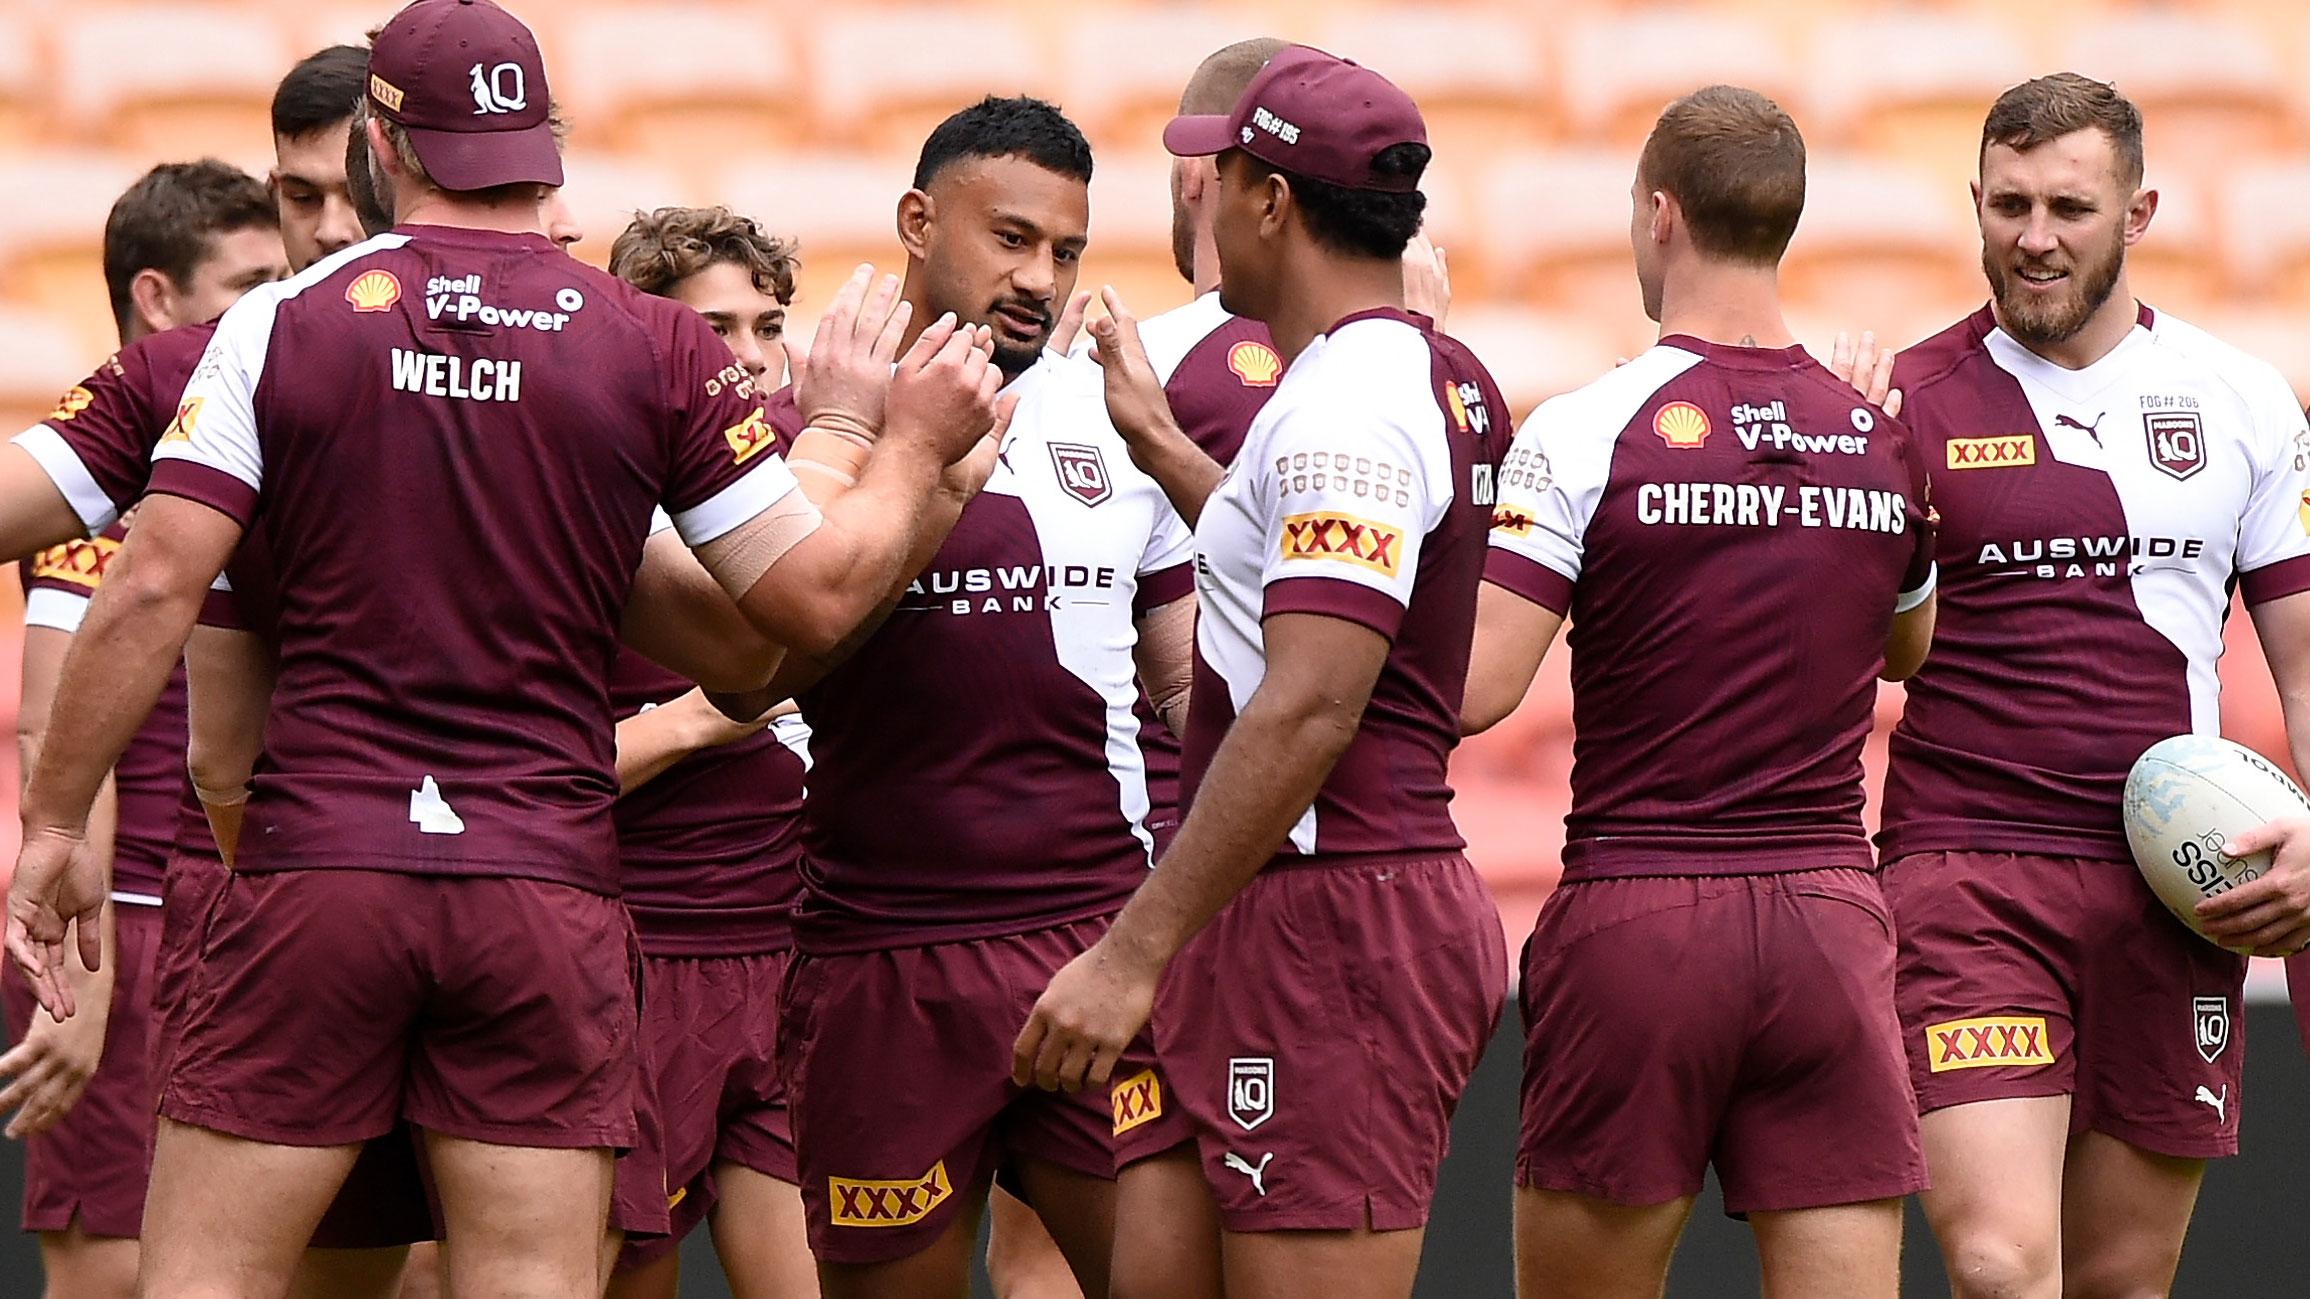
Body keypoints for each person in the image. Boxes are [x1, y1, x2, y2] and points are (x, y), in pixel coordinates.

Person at [5, 9, 1003, 1299]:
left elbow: (151, 587)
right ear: (548, 156)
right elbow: (792, 621)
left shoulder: (277, 327)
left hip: (323, 873)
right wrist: (909, 452)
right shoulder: (650, 344)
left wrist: (50, 829)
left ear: (382, 141)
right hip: (542, 892)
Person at [1014, 46, 1509, 1299]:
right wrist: (1167, 447)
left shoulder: (1351, 403)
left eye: (1217, 177)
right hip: (1268, 903)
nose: (1201, 204)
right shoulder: (1408, 373)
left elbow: (1310, 703)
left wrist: (1129, 953)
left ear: (1272, 200)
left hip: (1330, 909)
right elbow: (1289, 565)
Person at [703, 94, 1197, 1299]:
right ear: (920, 223)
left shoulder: (1118, 422)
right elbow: (747, 670)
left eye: (1066, 250)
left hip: (1089, 941)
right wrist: (904, 464)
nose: (1041, 276)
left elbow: (1186, 683)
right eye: (1011, 238)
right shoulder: (807, 427)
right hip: (883, 959)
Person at [1845, 73, 2310, 1299]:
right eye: (2007, 206)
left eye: (2068, 206)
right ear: (1975, 205)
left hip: (2181, 887)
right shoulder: (1907, 401)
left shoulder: (2244, 400)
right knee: (2002, 1266)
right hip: (1969, 873)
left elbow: (2303, 660)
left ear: (2138, 211)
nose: (2034, 238)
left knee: (2120, 1280)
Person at [1469, 86, 1936, 1299]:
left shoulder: (1584, 430)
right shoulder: (1880, 435)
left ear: (1659, 214)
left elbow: (1474, 689)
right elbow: (1909, 654)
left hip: (1643, 915)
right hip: (1831, 917)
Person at [0, 158, 285, 1299]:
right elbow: (57, 721)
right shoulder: (110, 462)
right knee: (115, 1266)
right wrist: (93, 974)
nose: (277, 302)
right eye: (249, 281)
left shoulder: (265, 431)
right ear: (160, 299)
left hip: (242, 907)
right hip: (121, 920)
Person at [599, 205, 819, 1299]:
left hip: (794, 958)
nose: (749, 358)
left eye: (768, 326)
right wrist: (704, 715)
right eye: (715, 329)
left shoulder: (810, 512)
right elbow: (529, 769)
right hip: (642, 964)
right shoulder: (587, 507)